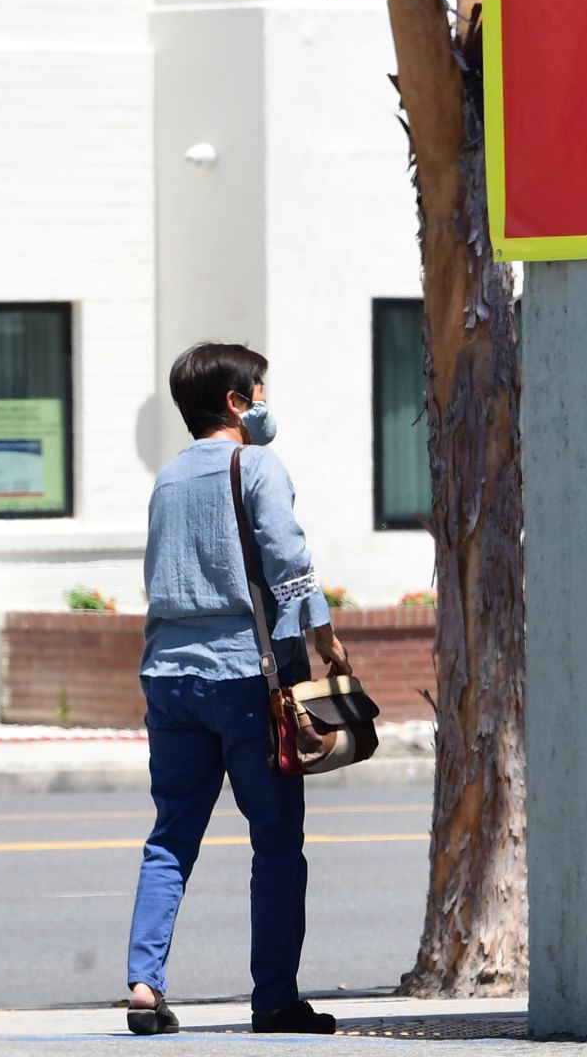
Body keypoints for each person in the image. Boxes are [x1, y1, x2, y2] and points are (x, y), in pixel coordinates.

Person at [123, 343, 348, 1036]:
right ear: (234, 402)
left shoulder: (166, 480)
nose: (262, 402)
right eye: (257, 390)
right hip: (246, 675)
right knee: (277, 840)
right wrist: (325, 636)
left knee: (170, 838)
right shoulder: (255, 463)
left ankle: (142, 984)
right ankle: (275, 1000)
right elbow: (287, 554)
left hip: (169, 676)